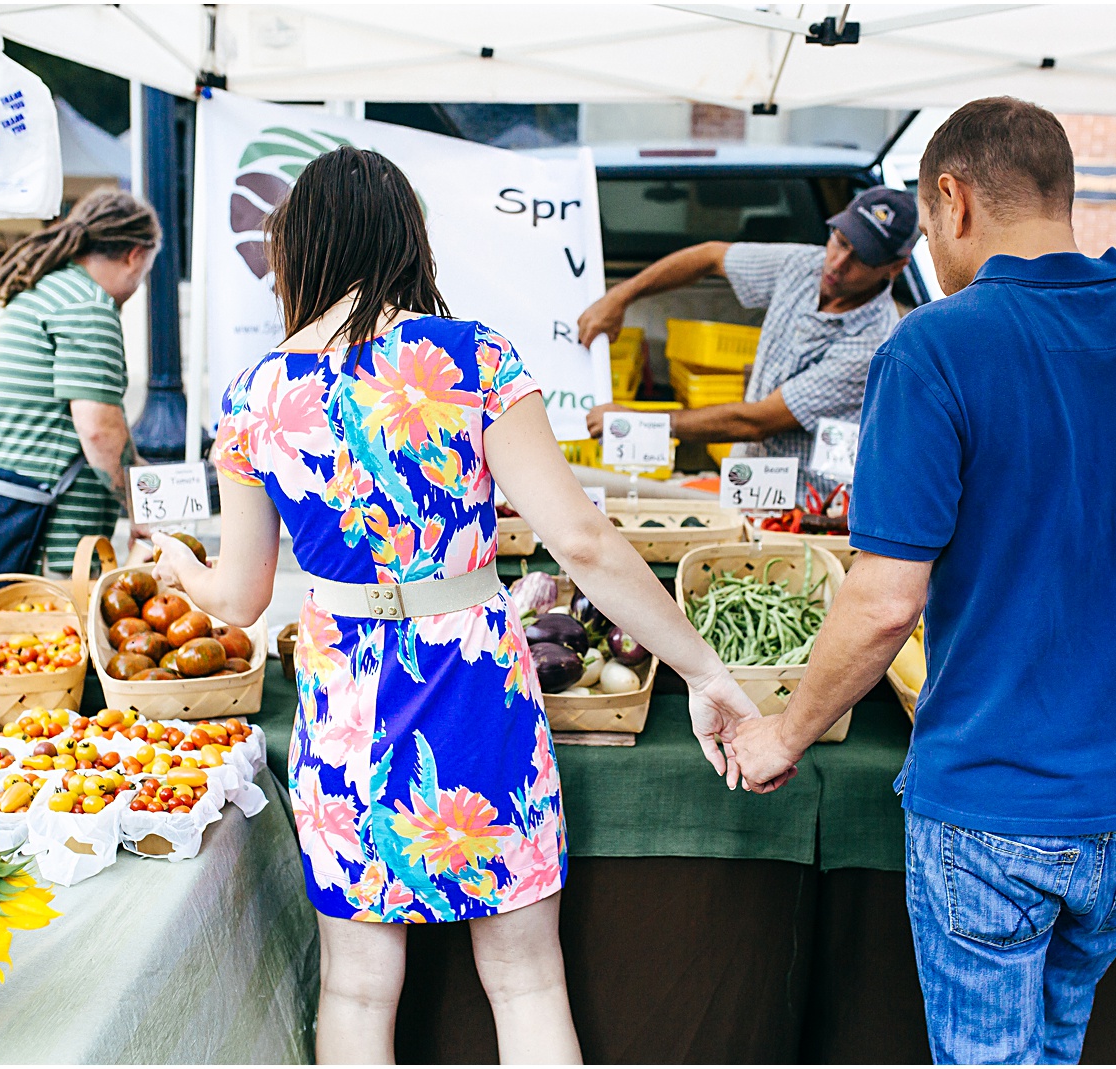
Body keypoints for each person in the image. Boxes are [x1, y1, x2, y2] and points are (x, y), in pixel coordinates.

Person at [151, 146, 766, 1064]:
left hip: (344, 695)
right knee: (525, 980)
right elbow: (585, 543)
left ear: (300, 250)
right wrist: (704, 670)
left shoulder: (254, 396)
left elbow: (238, 597)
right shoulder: (474, 359)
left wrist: (176, 565)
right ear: (410, 240)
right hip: (473, 674)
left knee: (357, 990)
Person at [728, 97, 1116, 1064]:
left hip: (993, 807)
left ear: (950, 200)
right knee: (1055, 1038)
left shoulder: (935, 344)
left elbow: (884, 600)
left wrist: (782, 732)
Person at [579, 186, 917, 495]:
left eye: (862, 258)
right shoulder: (803, 265)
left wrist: (639, 422)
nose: (838, 263)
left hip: (813, 508)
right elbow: (710, 256)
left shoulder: (875, 341)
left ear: (894, 268)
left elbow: (755, 421)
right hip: (748, 484)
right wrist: (620, 297)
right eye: (840, 241)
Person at [0, 188, 160, 573]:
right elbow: (99, 430)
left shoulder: (42, 289)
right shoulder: (87, 306)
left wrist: (142, 471)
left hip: (8, 521)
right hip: (51, 537)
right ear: (134, 256)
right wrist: (141, 506)